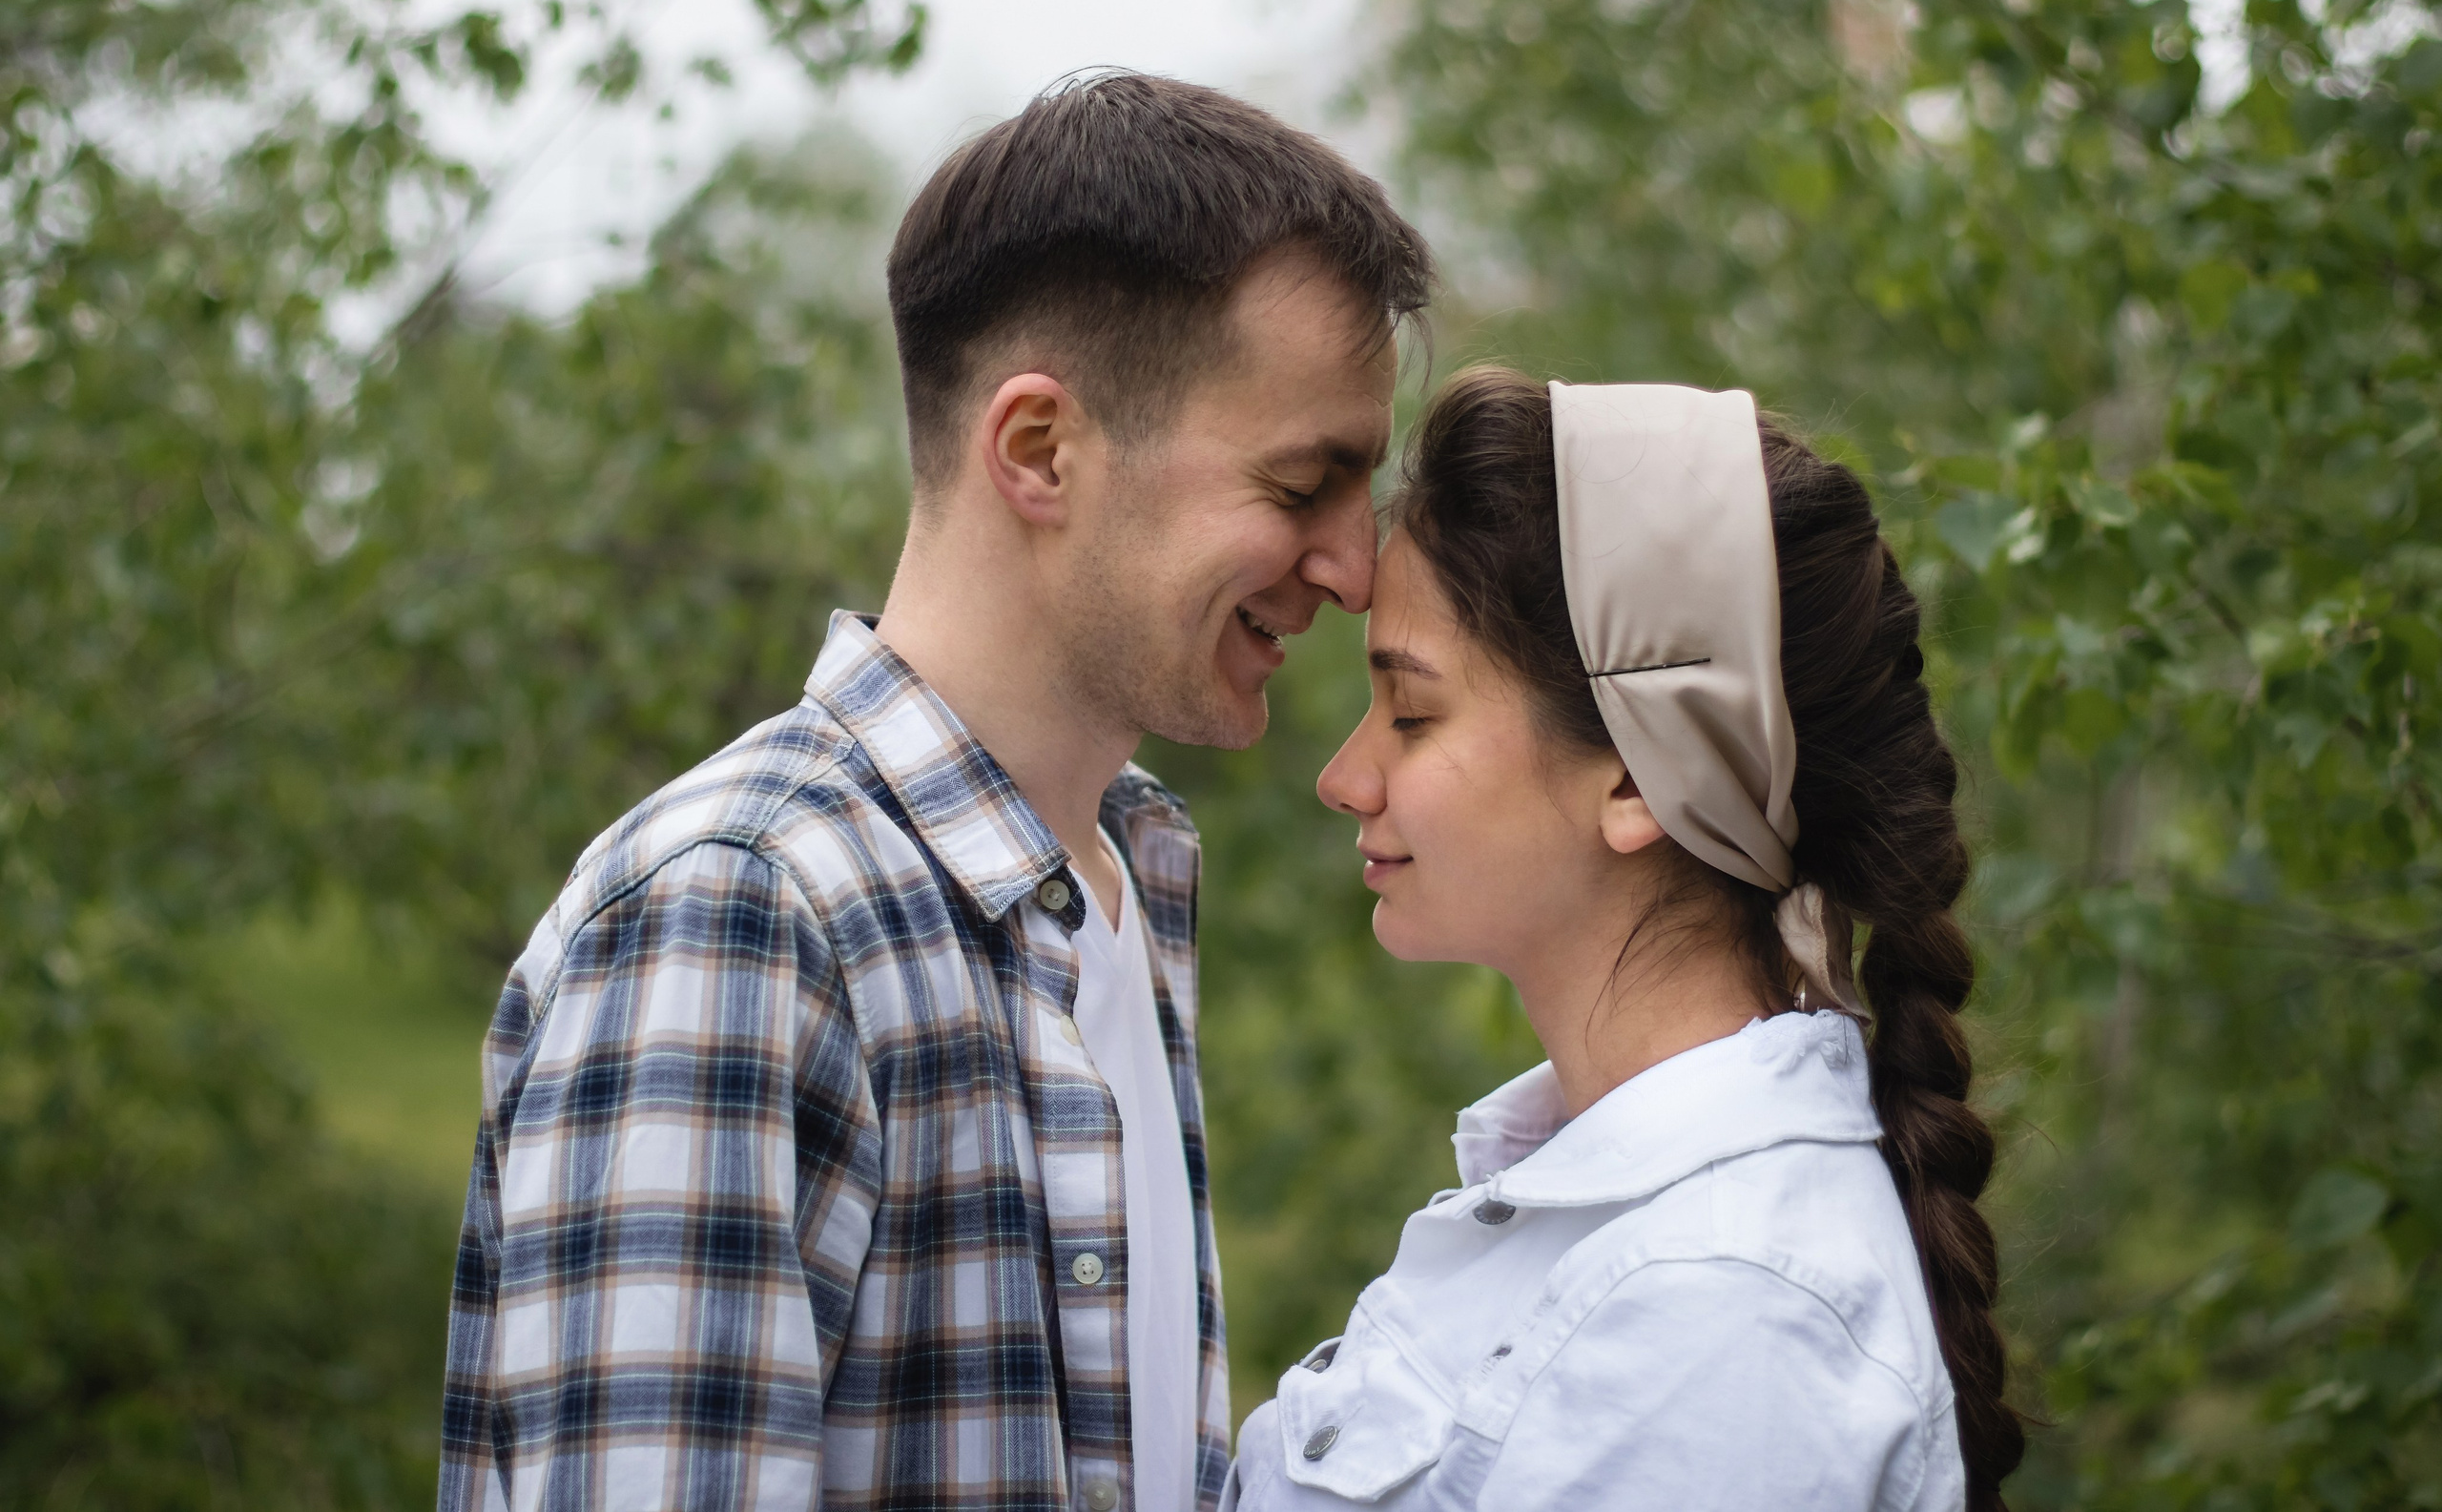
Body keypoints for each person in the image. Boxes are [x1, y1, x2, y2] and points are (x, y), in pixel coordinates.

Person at [438, 72, 1433, 1512]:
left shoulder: (1127, 879)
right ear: (1039, 449)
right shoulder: (742, 915)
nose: (1355, 562)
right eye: (1301, 484)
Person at [1225, 367, 2022, 1511]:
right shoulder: (1624, 1235)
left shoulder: (1723, 1312)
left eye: (1411, 713)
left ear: (1640, 778)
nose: (1344, 778)